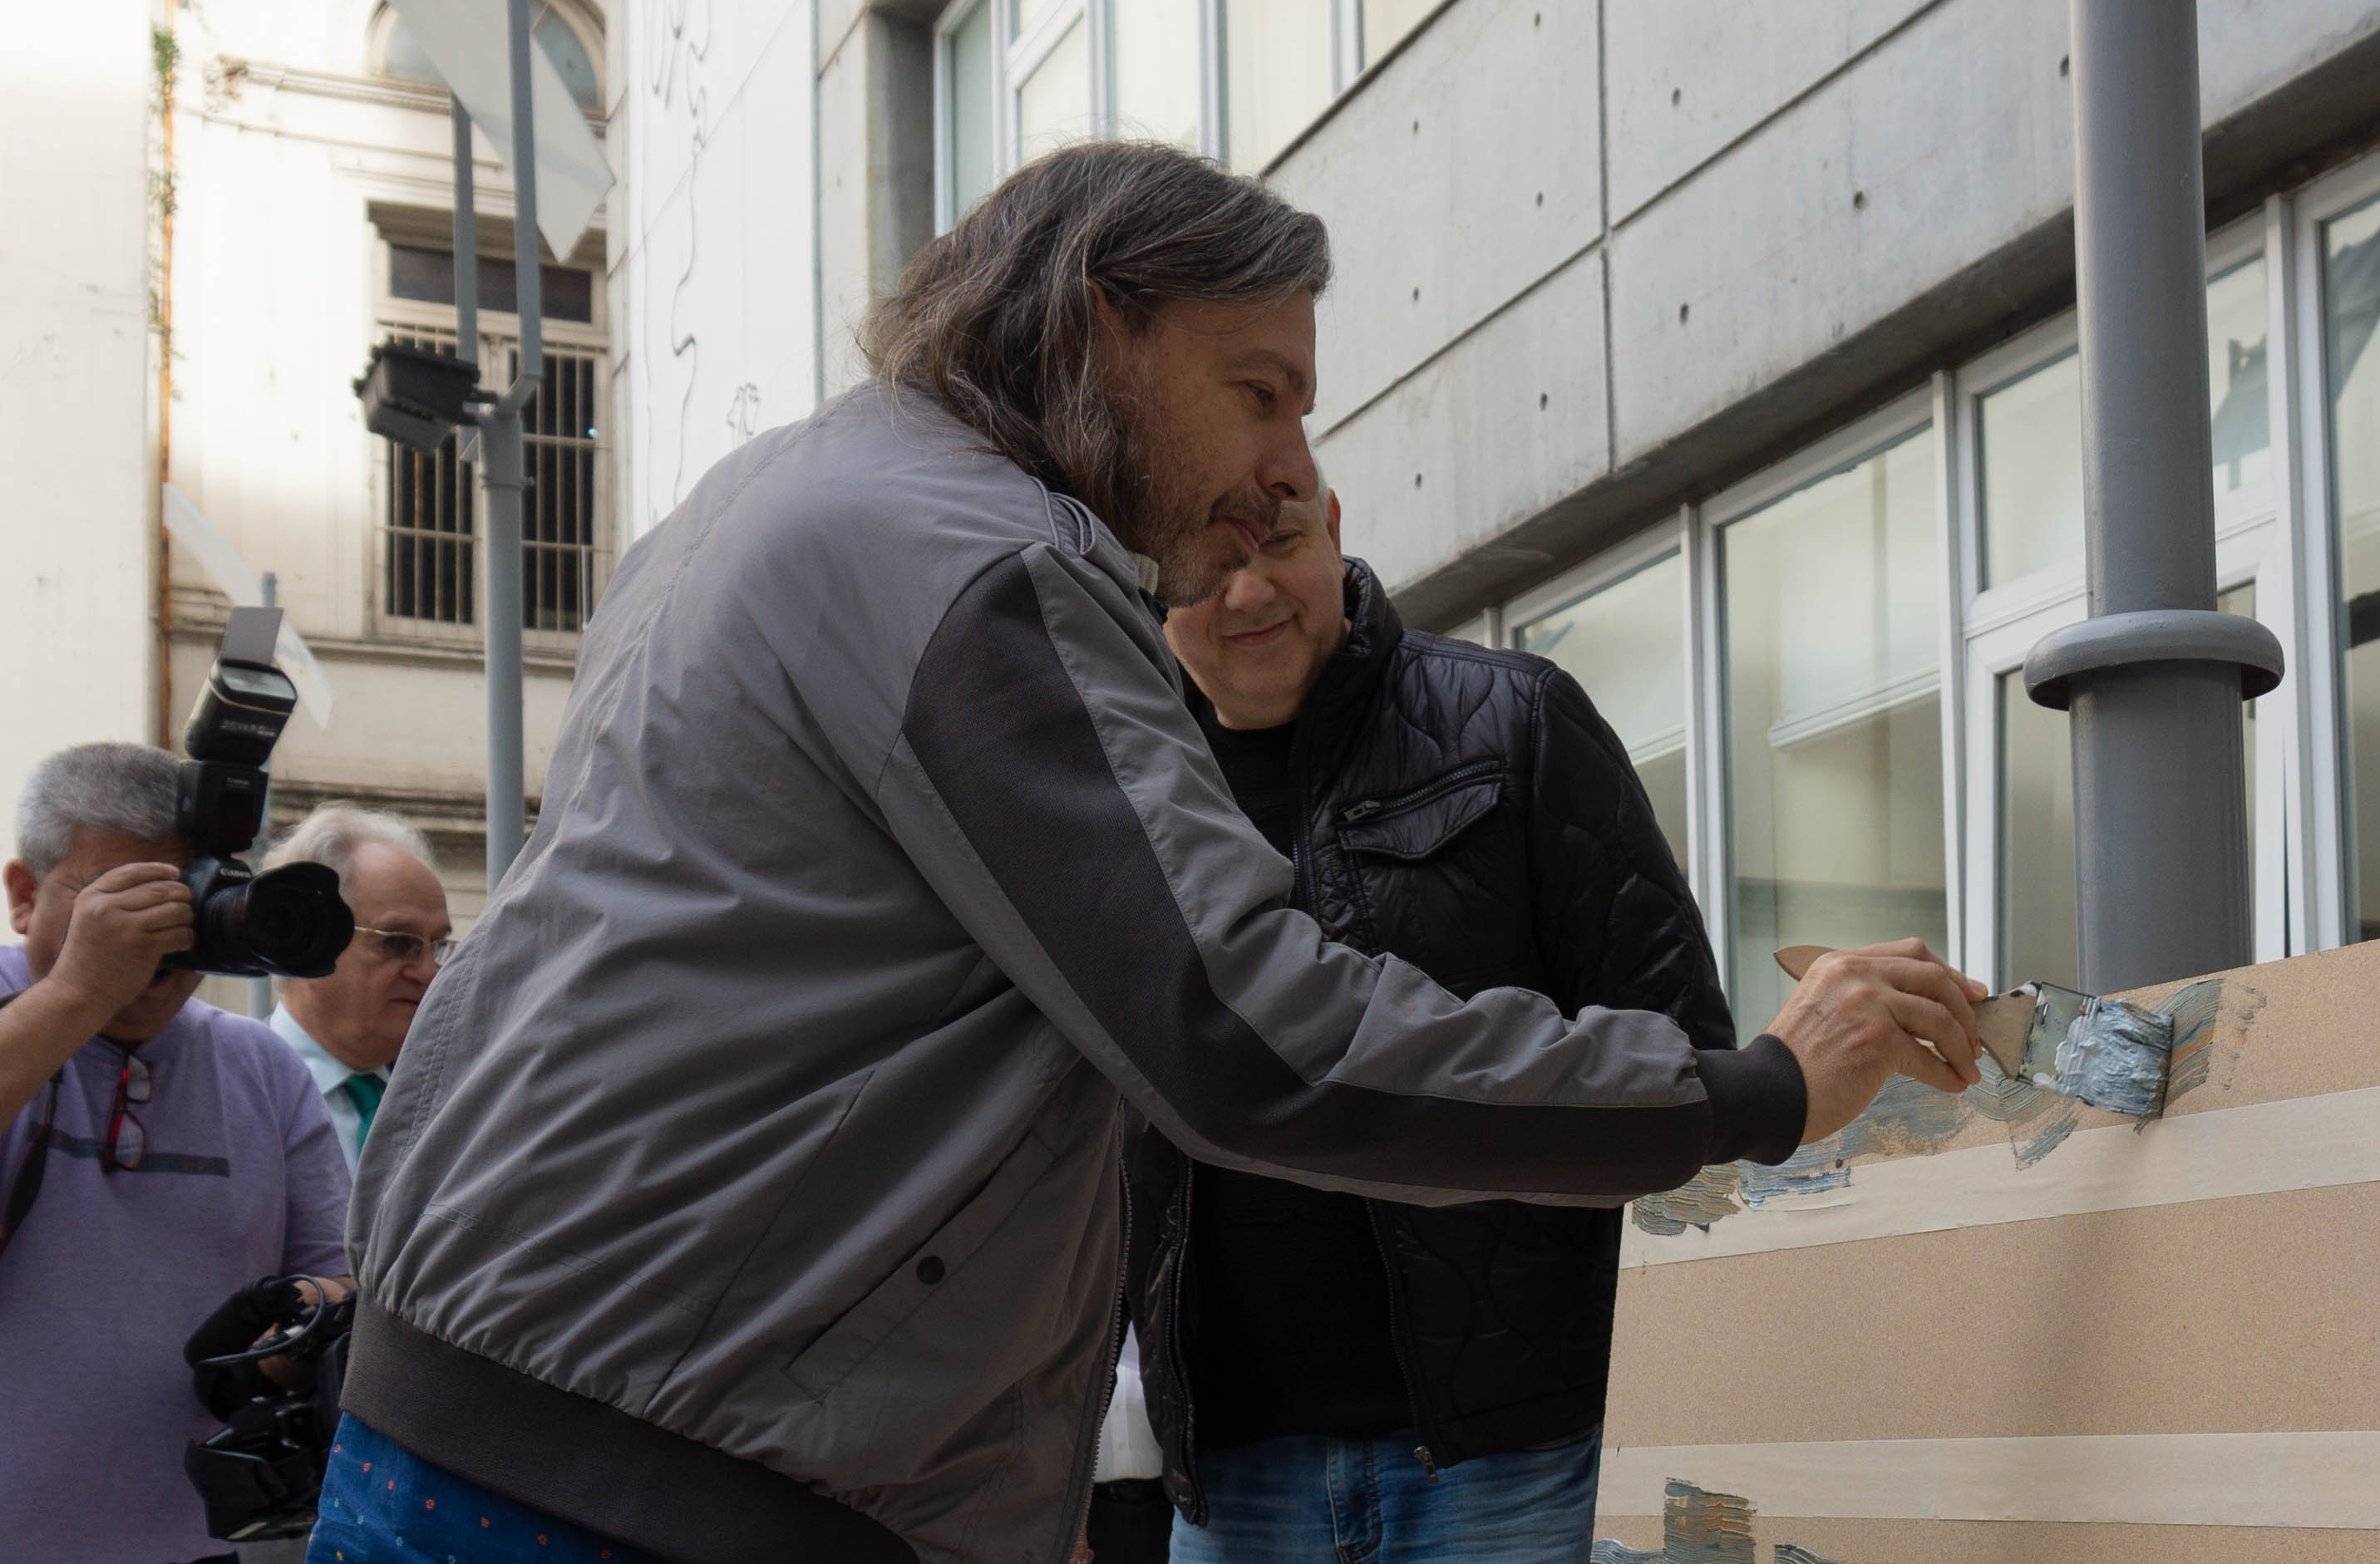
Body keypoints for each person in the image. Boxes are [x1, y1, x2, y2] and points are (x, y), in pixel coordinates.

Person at [313, 141, 1988, 1564]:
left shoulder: (759, 504)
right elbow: (1245, 1035)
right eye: (1257, 391)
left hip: (498, 1404)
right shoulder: (985, 563)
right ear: (1097, 324)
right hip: (677, 1475)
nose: (1282, 469)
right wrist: (1756, 1091)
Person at [1126, 489, 1723, 1562]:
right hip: (1231, 1469)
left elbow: (1680, 1050)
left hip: (1513, 1450)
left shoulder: (1515, 719)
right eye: (1205, 572)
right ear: (1146, 586)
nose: (1249, 592)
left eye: (1279, 543)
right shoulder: (1123, 790)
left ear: (1333, 523)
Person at [0, 742, 354, 1564]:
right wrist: (80, 993)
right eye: (125, 900)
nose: (160, 936)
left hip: (192, 1551)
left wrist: (299, 1327)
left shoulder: (262, 1068)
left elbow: (336, 1284)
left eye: (189, 901)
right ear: (24, 894)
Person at [262, 805, 449, 1172]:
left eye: (439, 945)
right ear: (310, 940)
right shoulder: (232, 1095)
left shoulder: (450, 1106)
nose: (429, 972)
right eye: (399, 943)